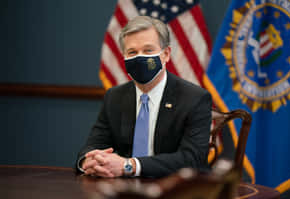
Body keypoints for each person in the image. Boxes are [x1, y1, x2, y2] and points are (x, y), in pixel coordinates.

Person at [76, 16, 212, 178]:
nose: (140, 58)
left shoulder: (194, 98)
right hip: (122, 190)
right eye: (132, 52)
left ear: (166, 54)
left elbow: (192, 159)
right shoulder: (115, 96)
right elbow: (94, 144)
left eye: (148, 50)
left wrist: (129, 166)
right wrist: (88, 161)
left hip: (174, 189)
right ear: (124, 57)